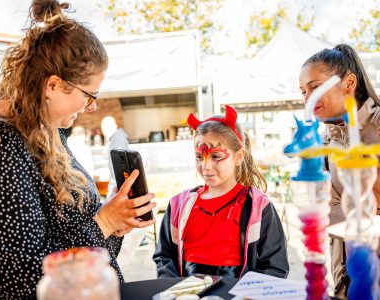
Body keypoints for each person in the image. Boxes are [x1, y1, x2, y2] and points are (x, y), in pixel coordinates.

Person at [0, 1, 156, 299]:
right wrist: (105, 222)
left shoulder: (45, 127)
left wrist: (113, 222)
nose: (93, 107)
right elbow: (22, 278)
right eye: (90, 96)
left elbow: (73, 231)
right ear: (53, 85)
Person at [153, 105, 289, 278]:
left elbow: (275, 267)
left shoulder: (258, 207)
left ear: (239, 157)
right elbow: (164, 258)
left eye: (216, 156)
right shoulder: (177, 205)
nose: (206, 166)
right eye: (199, 157)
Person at [299, 43, 380, 299]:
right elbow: (329, 207)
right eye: (303, 91)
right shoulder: (325, 141)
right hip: (345, 272)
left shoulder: (377, 128)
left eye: (314, 87)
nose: (307, 98)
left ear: (349, 83)